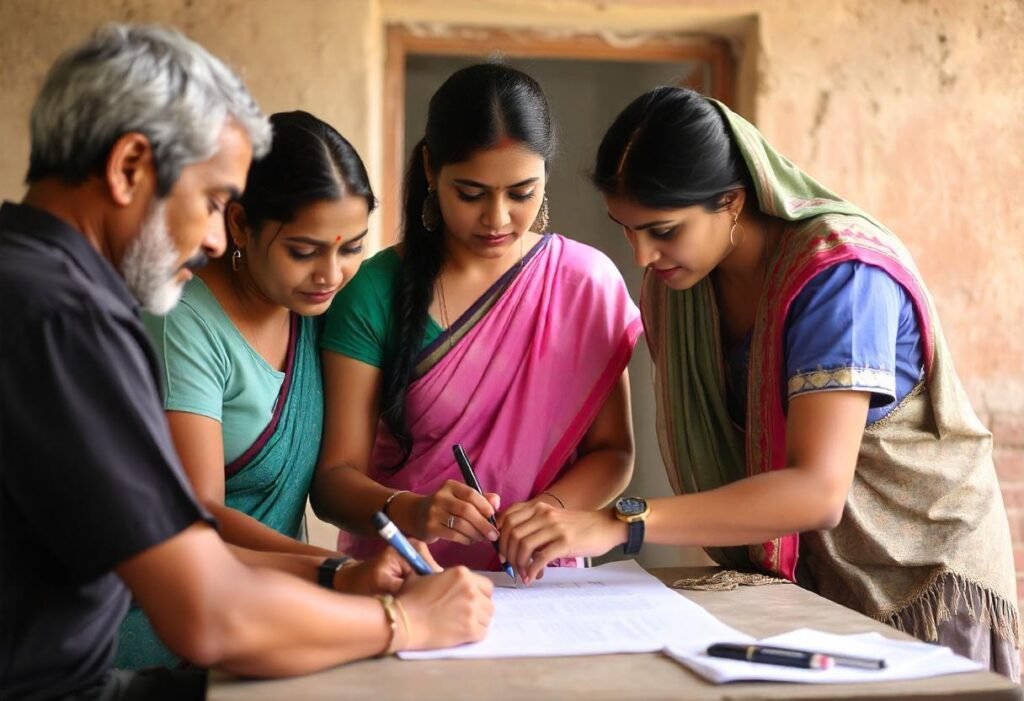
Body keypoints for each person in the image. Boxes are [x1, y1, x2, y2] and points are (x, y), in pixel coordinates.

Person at [0, 24, 492, 701]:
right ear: (129, 167)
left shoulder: (28, 281)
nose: (208, 237)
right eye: (207, 201)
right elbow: (205, 609)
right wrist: (403, 620)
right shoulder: (67, 318)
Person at [496, 86, 1019, 677]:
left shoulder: (841, 279)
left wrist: (619, 521)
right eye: (628, 229)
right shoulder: (681, 291)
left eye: (663, 230)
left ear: (733, 201)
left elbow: (817, 491)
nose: (642, 255)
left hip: (916, 583)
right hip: (804, 592)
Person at [312, 63, 643, 571]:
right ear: (430, 169)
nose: (497, 219)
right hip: (402, 579)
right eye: (470, 194)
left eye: (521, 193)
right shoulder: (375, 291)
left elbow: (613, 452)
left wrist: (548, 512)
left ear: (545, 176)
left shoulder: (585, 284)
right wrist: (413, 510)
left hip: (541, 586)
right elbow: (334, 481)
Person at [116, 110, 390, 669]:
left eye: (351, 248)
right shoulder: (182, 321)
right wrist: (335, 571)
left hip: (275, 608)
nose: (331, 274)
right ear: (240, 225)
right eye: (305, 250)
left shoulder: (316, 311)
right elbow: (202, 514)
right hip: (172, 622)